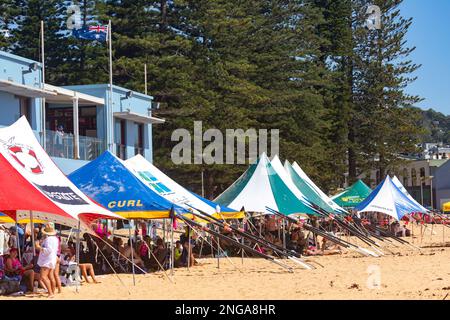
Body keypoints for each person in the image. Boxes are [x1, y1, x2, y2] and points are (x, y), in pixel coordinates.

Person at [35, 225, 59, 298]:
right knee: (51, 276)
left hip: (47, 260)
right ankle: (52, 291)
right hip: (52, 259)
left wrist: (39, 247)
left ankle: (50, 293)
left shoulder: (48, 239)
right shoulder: (55, 239)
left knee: (43, 277)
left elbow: (48, 250)